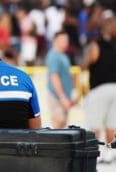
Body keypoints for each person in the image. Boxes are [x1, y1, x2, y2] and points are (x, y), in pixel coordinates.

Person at [81, 17, 116, 163]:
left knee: (95, 123)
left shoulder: (96, 45)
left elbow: (85, 64)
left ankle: (97, 152)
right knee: (111, 124)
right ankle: (109, 152)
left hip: (99, 88)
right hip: (115, 87)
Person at [45, 31, 73, 129]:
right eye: (62, 40)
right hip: (56, 97)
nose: (65, 42)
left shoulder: (63, 55)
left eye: (66, 40)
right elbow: (54, 76)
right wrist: (62, 97)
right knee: (58, 123)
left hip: (64, 97)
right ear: (55, 41)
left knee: (62, 125)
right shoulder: (54, 55)